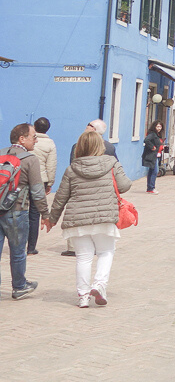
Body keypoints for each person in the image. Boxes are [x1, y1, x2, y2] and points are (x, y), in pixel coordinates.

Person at [45, 130, 132, 308]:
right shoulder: (112, 163)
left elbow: (61, 196)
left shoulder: (72, 169)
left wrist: (51, 219)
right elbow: (124, 186)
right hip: (104, 217)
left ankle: (83, 296)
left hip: (78, 220)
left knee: (83, 257)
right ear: (100, 146)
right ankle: (99, 284)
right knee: (105, 252)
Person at [1, 123, 49, 300]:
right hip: (16, 211)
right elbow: (37, 191)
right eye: (33, 137)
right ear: (22, 139)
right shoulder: (30, 159)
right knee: (18, 251)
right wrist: (45, 214)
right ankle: (19, 286)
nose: (36, 140)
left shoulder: (1, 153)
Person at [28, 117, 56, 256]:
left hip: (24, 179)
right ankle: (31, 247)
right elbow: (51, 165)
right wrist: (50, 183)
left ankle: (18, 244)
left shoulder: (28, 140)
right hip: (40, 180)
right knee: (34, 213)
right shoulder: (50, 143)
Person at [142, 121, 165, 194]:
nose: (159, 128)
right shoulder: (152, 134)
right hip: (152, 156)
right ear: (154, 126)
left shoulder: (158, 135)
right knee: (155, 171)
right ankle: (151, 188)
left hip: (157, 155)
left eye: (160, 127)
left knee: (151, 171)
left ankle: (150, 188)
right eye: (157, 126)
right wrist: (152, 147)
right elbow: (146, 140)